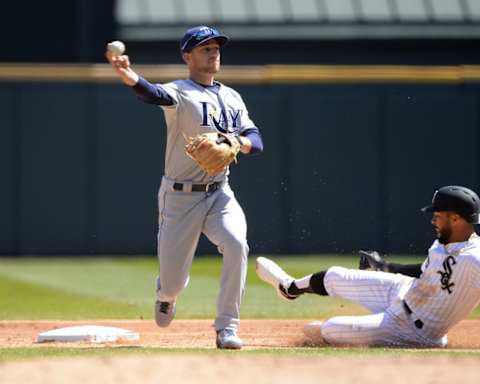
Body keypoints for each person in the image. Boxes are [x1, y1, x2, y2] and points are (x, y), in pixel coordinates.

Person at [106, 26, 263, 349]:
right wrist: (128, 74)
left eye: (216, 47)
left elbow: (257, 141)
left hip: (220, 192)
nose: (213, 52)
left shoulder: (232, 97)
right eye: (205, 48)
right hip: (179, 197)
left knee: (237, 244)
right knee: (174, 283)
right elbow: (151, 93)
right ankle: (166, 294)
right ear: (187, 57)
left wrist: (237, 141)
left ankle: (227, 327)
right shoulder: (180, 91)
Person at [256, 185, 480, 347]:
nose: (433, 220)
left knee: (331, 328)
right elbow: (426, 270)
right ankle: (289, 288)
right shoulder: (445, 242)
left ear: (456, 219)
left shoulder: (475, 260)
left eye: (438, 215)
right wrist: (385, 266)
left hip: (414, 330)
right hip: (405, 291)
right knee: (334, 276)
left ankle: (327, 334)